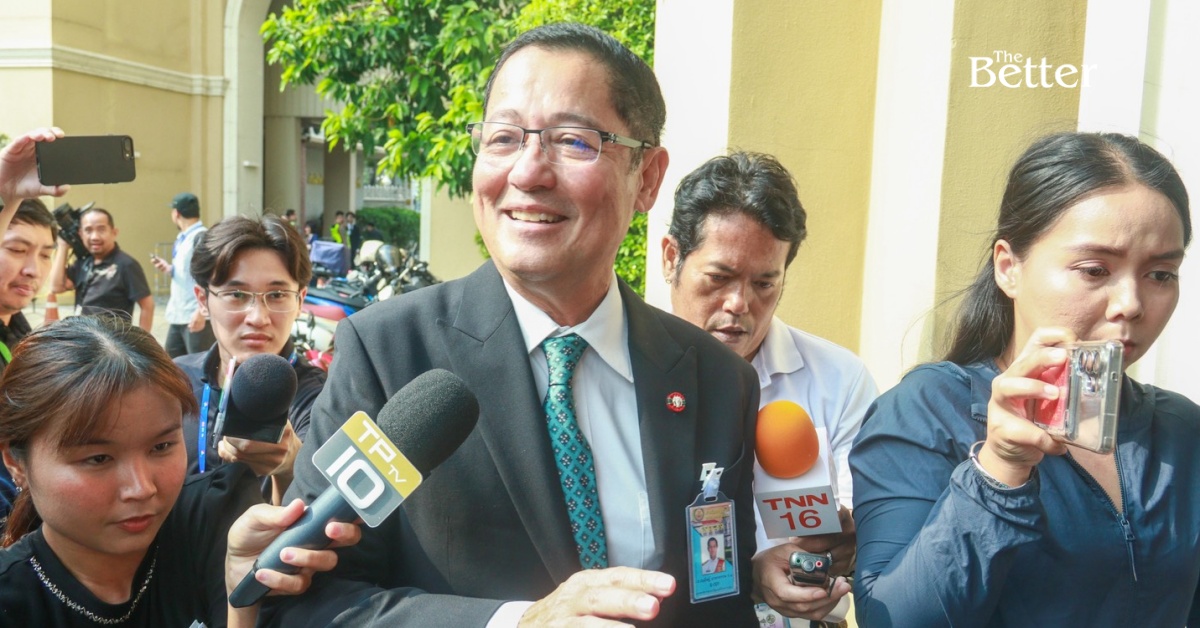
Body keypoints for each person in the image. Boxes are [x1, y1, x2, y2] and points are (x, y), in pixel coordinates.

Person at [269, 22, 760, 627]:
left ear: (648, 178)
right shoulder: (388, 355)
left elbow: (720, 598)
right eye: (503, 137)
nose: (528, 173)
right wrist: (516, 623)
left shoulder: (717, 380)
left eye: (573, 141)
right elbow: (310, 603)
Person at [849, 132, 1200, 626]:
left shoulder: (1182, 430)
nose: (1131, 304)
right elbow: (894, 619)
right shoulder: (927, 411)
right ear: (1008, 267)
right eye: (1094, 270)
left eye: (1161, 274)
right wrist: (999, 469)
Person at [0, 315, 359, 627]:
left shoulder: (217, 520)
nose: (142, 488)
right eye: (98, 459)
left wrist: (243, 596)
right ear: (16, 461)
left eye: (161, 447)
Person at [663, 152, 878, 623]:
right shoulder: (625, 372)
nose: (739, 303)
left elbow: (869, 528)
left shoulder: (839, 378)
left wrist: (845, 542)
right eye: (719, 278)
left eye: (764, 284)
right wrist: (748, 576)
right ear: (670, 258)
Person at [174, 215, 324, 504]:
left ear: (300, 301)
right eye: (237, 294)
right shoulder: (173, 382)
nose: (258, 317)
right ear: (203, 300)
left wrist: (292, 465)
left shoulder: (325, 400)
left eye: (277, 294)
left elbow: (325, 512)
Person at [0, 127, 69, 525]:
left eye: (45, 255)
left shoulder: (25, 338)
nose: (33, 269)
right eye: (16, 249)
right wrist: (7, 193)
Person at [49, 206, 154, 330]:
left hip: (112, 339)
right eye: (88, 230)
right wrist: (63, 247)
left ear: (114, 232)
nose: (95, 237)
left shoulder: (126, 265)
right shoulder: (84, 263)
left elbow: (147, 306)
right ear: (81, 234)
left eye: (101, 230)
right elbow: (56, 287)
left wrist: (142, 339)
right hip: (84, 335)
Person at [152, 192, 216, 358]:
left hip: (195, 314)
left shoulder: (201, 237)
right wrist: (169, 269)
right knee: (173, 364)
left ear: (176, 213)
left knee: (199, 364)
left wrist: (200, 312)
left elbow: (209, 275)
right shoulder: (184, 237)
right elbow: (189, 271)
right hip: (178, 314)